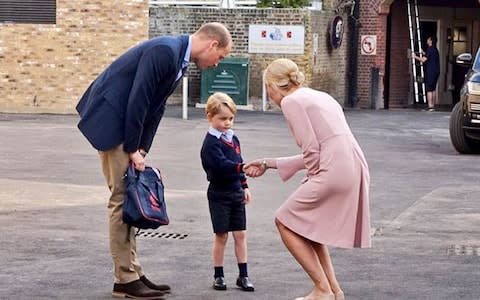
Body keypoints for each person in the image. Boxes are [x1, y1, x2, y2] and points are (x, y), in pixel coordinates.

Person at [76, 23, 232, 299]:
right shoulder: (165, 51)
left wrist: (142, 148)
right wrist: (133, 146)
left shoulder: (177, 58)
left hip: (124, 126)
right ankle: (124, 279)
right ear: (212, 45)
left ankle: (132, 272)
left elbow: (155, 108)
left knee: (131, 197)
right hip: (112, 121)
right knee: (122, 199)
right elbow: (139, 99)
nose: (216, 64)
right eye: (219, 57)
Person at [244, 58, 371, 300]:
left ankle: (322, 289)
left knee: (284, 220)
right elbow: (326, 148)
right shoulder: (318, 96)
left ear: (273, 85)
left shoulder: (291, 102)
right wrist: (268, 163)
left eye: (266, 86)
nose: (267, 92)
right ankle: (334, 290)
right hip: (352, 164)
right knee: (309, 228)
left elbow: (311, 150)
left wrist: (313, 178)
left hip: (332, 169)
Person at [200, 92, 255, 292]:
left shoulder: (233, 139)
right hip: (219, 193)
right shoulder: (210, 143)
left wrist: (244, 185)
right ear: (210, 117)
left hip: (235, 191)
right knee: (221, 235)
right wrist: (241, 168)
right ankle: (219, 275)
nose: (227, 123)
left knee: (240, 234)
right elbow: (221, 165)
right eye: (222, 119)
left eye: (230, 118)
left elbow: (239, 161)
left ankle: (243, 275)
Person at [412, 36, 440, 111]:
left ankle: (430, 106)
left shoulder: (430, 49)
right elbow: (428, 55)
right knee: (433, 88)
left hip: (430, 71)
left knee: (429, 89)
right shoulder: (435, 49)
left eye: (428, 39)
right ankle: (433, 105)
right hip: (436, 71)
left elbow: (423, 60)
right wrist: (423, 52)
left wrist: (415, 57)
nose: (427, 40)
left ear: (431, 41)